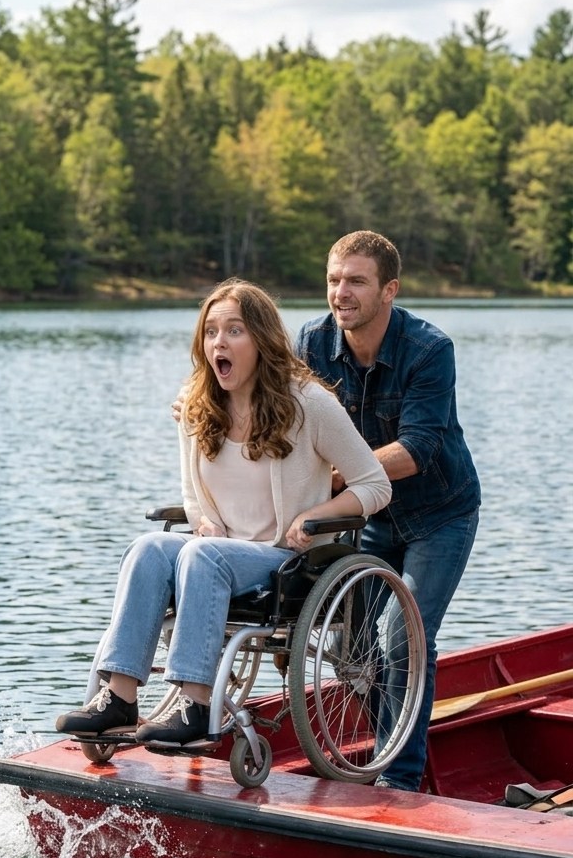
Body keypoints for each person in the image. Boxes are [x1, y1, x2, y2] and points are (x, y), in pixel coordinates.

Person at [55, 278, 391, 747]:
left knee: (201, 555)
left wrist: (315, 514)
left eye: (234, 330)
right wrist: (202, 520)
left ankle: (195, 703)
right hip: (217, 551)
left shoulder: (309, 404)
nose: (219, 342)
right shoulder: (197, 404)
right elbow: (191, 492)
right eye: (211, 332)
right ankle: (120, 698)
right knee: (147, 548)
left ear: (262, 339)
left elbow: (375, 485)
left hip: (285, 559)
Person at [294, 230, 481, 791]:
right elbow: (282, 419)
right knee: (345, 642)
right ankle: (393, 734)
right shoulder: (311, 343)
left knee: (405, 637)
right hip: (368, 517)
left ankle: (400, 779)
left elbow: (417, 449)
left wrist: (340, 475)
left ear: (390, 289)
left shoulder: (429, 349)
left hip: (439, 515)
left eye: (356, 281)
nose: (341, 292)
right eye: (333, 280)